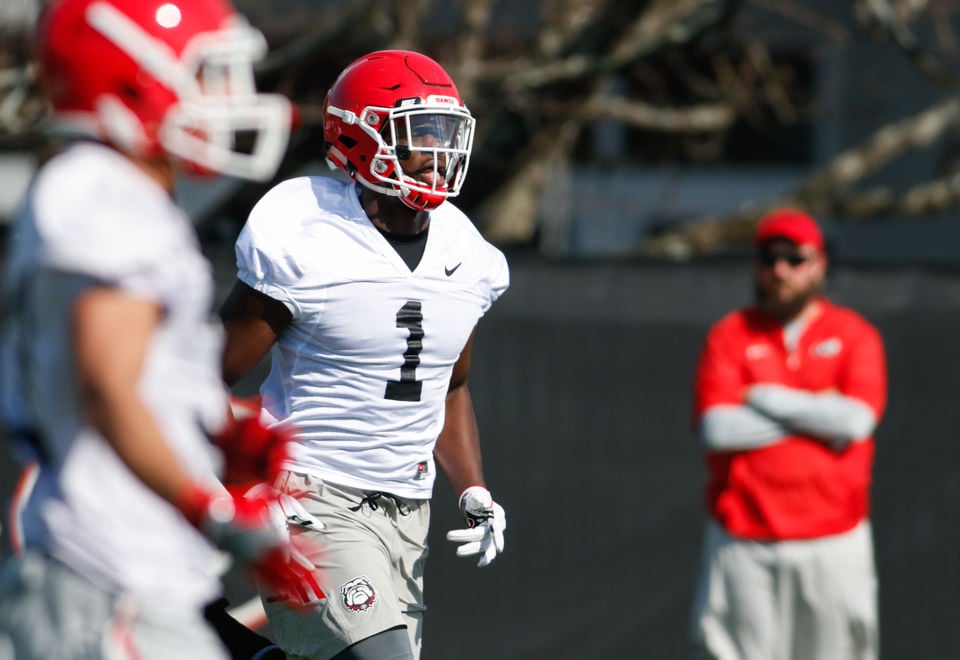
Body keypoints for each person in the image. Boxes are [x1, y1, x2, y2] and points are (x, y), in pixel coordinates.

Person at [0, 1, 322, 658]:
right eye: (206, 74)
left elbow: (131, 382)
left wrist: (214, 435)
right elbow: (109, 389)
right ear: (133, 82)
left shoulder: (119, 193)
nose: (225, 98)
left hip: (127, 575)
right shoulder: (103, 194)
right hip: (109, 574)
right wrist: (213, 507)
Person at [218, 49, 509, 660]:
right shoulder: (306, 234)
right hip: (311, 496)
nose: (438, 152)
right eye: (418, 135)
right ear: (359, 136)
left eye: (445, 133)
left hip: (408, 511)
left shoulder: (468, 254)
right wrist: (244, 488)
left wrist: (473, 489)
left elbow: (448, 388)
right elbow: (201, 378)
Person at [689, 208, 888, 660]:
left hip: (833, 540)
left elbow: (856, 421)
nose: (780, 270)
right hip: (745, 540)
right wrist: (818, 414)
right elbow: (718, 429)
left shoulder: (854, 335)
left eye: (793, 259)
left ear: (819, 264)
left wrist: (763, 397)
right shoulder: (730, 335)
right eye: (768, 258)